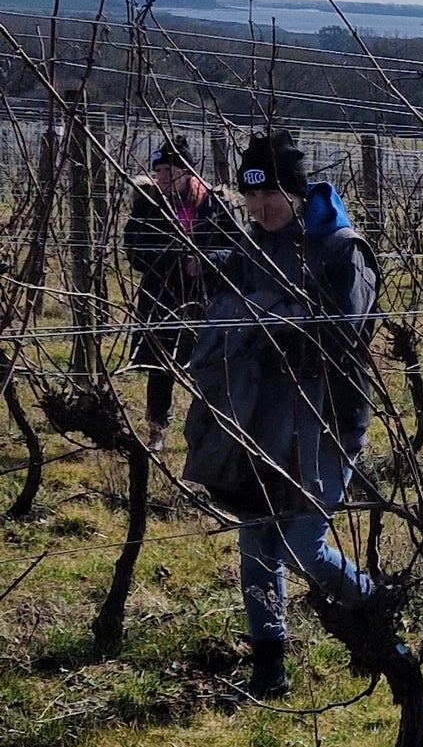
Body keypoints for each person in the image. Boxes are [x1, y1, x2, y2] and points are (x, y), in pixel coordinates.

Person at [182, 130, 381, 699]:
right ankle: (269, 667)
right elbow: (241, 287)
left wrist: (278, 329)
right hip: (262, 419)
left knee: (301, 546)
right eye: (252, 205)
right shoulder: (253, 246)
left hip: (328, 419)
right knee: (255, 539)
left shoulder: (342, 250)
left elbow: (344, 336)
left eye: (270, 201)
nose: (261, 212)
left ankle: (373, 604)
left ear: (295, 193)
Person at [121, 137, 237, 453]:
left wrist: (207, 262)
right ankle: (157, 430)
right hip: (161, 299)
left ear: (187, 173)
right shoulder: (147, 205)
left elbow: (237, 251)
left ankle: (213, 430)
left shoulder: (216, 205)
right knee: (161, 368)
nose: (163, 177)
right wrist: (179, 260)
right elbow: (134, 252)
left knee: (212, 366)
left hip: (206, 301)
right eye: (158, 170)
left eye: (170, 170)